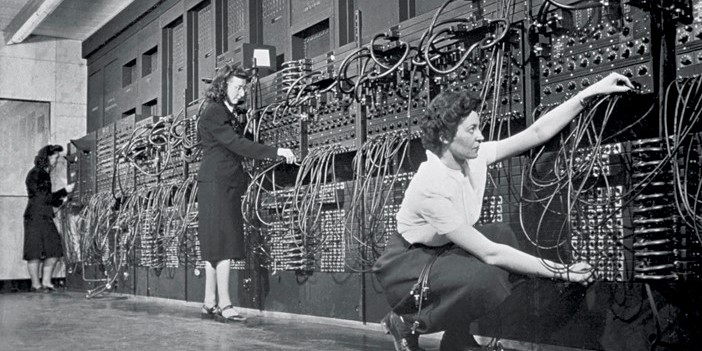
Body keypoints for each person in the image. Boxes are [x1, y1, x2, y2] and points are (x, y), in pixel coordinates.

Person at [373, 72, 634, 351]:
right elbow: (490, 253)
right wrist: (563, 271)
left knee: (501, 234)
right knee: (484, 277)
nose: (480, 136)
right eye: (471, 130)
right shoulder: (430, 184)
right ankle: (403, 320)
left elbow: (535, 134)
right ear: (445, 136)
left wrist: (590, 92)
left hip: (440, 252)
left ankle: (457, 336)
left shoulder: (473, 157)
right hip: (408, 265)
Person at [197, 64, 296, 322]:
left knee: (214, 243)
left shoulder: (227, 113)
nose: (242, 92)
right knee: (225, 242)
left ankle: (210, 301)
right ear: (223, 87)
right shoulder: (214, 112)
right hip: (218, 183)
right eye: (237, 87)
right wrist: (276, 152)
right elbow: (237, 144)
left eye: (244, 88)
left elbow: (244, 139)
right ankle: (226, 304)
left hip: (221, 183)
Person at [24, 144, 75, 292]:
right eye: (54, 157)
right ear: (46, 157)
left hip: (44, 216)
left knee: (54, 250)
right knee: (34, 252)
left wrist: (61, 200)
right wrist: (64, 190)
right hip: (35, 216)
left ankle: (46, 282)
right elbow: (42, 197)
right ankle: (36, 285)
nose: (56, 160)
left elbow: (47, 198)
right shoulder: (36, 174)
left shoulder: (44, 174)